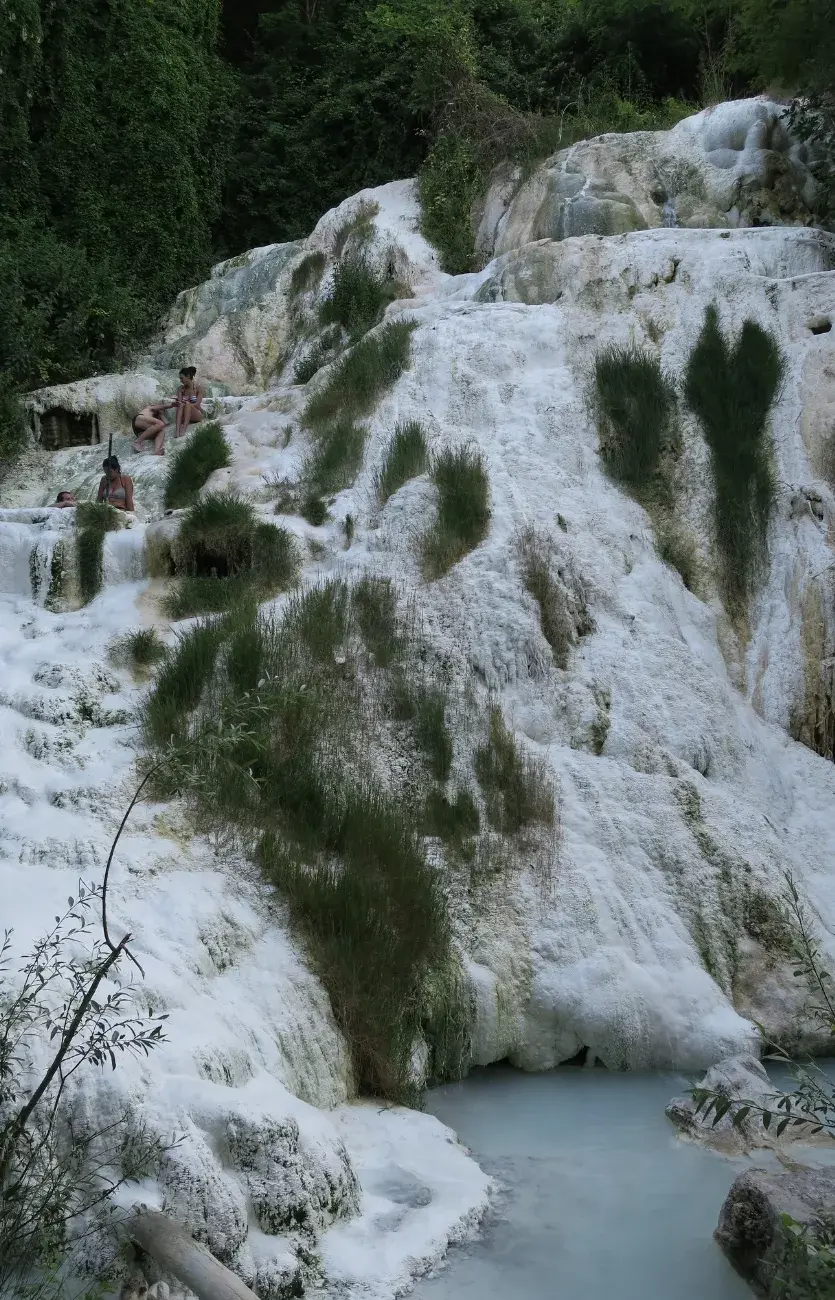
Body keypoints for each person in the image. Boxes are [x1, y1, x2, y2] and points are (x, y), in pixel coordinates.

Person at [173, 366, 205, 439]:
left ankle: (184, 428)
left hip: (196, 414)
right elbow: (179, 404)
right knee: (181, 405)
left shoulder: (198, 388)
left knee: (187, 404)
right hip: (184, 415)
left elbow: (197, 405)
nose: (180, 381)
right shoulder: (180, 389)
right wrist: (180, 394)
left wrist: (187, 404)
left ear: (188, 376)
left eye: (182, 378)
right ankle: (177, 430)